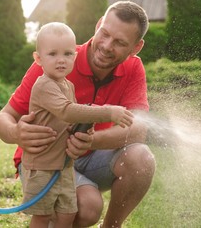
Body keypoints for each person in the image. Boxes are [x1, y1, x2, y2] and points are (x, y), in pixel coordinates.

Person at [0, 0, 156, 228]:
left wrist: (91, 141)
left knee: (142, 158)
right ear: (99, 24)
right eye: (105, 33)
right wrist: (15, 132)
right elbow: (4, 117)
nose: (107, 46)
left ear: (136, 48)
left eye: (120, 42)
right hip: (45, 159)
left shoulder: (133, 68)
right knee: (87, 209)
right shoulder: (56, 60)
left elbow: (138, 129)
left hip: (89, 156)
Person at [22, 22, 134, 228]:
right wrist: (107, 112)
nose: (61, 60)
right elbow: (66, 110)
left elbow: (71, 120)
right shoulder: (44, 85)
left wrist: (86, 128)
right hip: (43, 166)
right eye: (52, 54)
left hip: (64, 166)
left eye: (67, 54)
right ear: (38, 59)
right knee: (43, 216)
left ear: (75, 55)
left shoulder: (67, 85)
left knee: (68, 212)